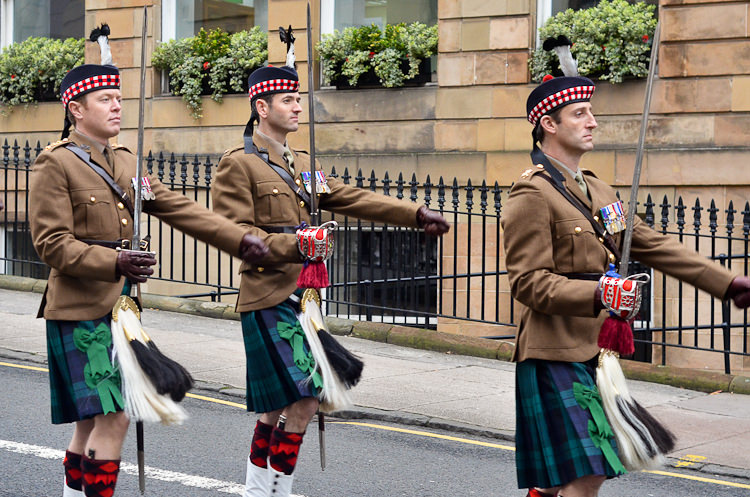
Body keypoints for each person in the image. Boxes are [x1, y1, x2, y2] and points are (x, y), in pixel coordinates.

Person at [501, 74, 750, 497]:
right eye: (580, 113)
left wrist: (727, 283)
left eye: (591, 113)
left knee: (571, 473)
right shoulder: (532, 194)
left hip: (597, 351)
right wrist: (600, 293)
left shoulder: (597, 188)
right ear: (549, 123)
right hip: (553, 350)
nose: (593, 121)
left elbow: (647, 242)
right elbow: (528, 283)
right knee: (590, 469)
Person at [212, 57, 450, 496]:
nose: (298, 106)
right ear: (261, 107)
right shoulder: (239, 164)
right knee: (292, 399)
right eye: (288, 99)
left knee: (300, 400)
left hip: (304, 299)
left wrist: (415, 214)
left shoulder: (304, 160)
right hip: (268, 294)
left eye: (299, 98)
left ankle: (272, 488)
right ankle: (259, 489)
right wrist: (297, 244)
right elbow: (234, 233)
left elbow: (348, 197)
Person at [29, 63, 269, 497]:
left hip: (120, 309)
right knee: (116, 415)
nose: (117, 104)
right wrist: (115, 262)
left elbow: (178, 207)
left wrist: (240, 240)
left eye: (119, 97)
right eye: (105, 99)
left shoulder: (125, 162)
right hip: (79, 308)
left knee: (91, 422)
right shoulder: (56, 164)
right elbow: (51, 244)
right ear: (75, 109)